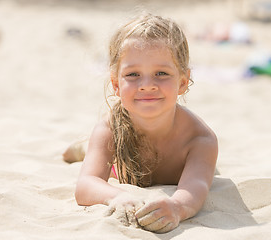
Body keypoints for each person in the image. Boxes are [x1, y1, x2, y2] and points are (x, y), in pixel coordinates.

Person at [64, 13, 218, 233]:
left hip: (165, 165)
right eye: (133, 74)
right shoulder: (109, 129)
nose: (147, 85)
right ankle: (84, 147)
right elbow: (86, 185)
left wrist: (176, 207)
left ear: (183, 82)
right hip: (118, 166)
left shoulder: (200, 139)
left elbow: (196, 188)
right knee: (97, 152)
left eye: (161, 73)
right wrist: (117, 197)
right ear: (116, 84)